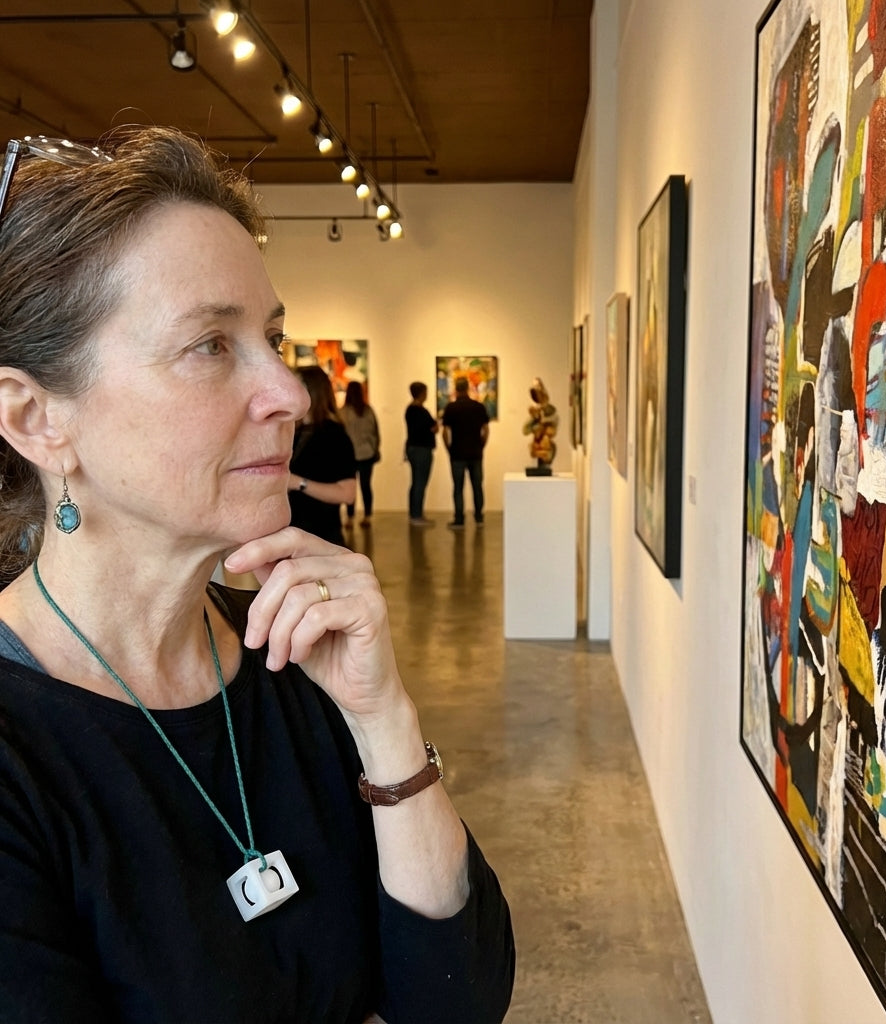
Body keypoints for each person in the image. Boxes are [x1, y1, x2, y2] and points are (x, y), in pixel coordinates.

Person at [0, 125, 514, 1023]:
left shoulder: (292, 651)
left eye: (274, 337)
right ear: (39, 418)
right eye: (210, 345)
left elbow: (458, 1000)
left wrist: (385, 718)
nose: (289, 391)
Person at [287, 365, 357, 544]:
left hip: (321, 537)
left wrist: (298, 483)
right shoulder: (293, 431)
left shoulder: (334, 436)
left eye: (296, 385)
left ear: (312, 391)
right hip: (289, 536)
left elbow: (347, 494)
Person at [442, 376, 490, 528]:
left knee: (458, 487)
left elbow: (445, 432)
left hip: (457, 452)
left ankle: (459, 519)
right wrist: (481, 445)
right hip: (475, 452)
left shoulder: (451, 408)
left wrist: (448, 448)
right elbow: (486, 430)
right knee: (477, 486)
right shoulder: (478, 406)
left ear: (456, 389)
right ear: (468, 388)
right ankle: (479, 517)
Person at [339, 379, 380, 528]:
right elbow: (376, 432)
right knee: (366, 486)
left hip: (348, 456)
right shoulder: (368, 410)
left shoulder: (343, 412)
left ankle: (350, 517)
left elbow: (339, 436)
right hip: (367, 453)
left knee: (351, 486)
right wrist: (375, 449)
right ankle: (367, 516)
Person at [404, 380, 438, 525]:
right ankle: (417, 515)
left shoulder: (409, 410)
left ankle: (414, 513)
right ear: (421, 393)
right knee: (419, 482)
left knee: (416, 482)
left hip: (413, 448)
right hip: (422, 450)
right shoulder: (420, 411)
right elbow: (433, 427)